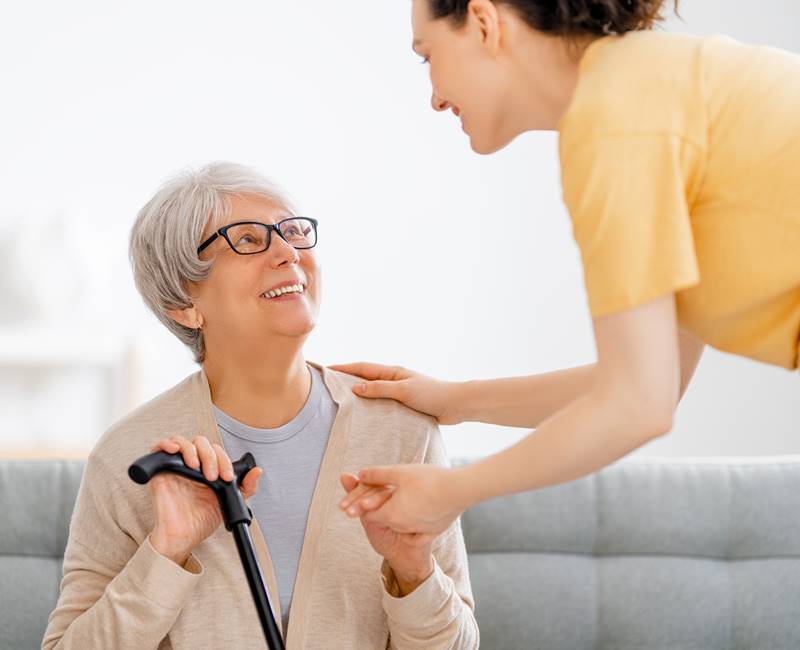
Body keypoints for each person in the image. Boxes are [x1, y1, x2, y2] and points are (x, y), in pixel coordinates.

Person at [337, 0, 800, 536]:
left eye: (428, 56)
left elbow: (637, 406)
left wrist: (449, 492)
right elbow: (651, 384)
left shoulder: (617, 118)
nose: (435, 97)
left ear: (484, 24)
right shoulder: (648, 85)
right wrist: (454, 400)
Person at [43, 162, 478, 649]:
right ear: (184, 303)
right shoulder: (131, 459)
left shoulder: (401, 431)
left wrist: (415, 574)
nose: (288, 251)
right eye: (248, 239)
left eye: (293, 232)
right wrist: (165, 553)